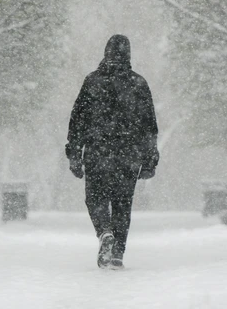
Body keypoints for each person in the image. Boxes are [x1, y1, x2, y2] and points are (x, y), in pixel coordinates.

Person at [66, 34, 159, 269]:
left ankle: (104, 232)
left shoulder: (92, 82)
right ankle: (117, 254)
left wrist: (75, 154)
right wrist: (149, 159)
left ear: (105, 53)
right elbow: (149, 126)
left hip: (98, 152)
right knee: (122, 203)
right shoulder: (139, 84)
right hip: (129, 155)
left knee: (95, 198)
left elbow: (78, 121)